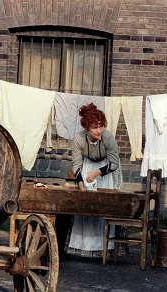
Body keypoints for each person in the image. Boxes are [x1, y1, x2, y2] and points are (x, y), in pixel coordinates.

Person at [65, 103, 122, 258]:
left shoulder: (108, 137)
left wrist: (98, 173)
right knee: (86, 207)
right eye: (95, 127)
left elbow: (115, 163)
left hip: (106, 170)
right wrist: (81, 185)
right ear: (87, 128)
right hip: (87, 168)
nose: (99, 130)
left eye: (101, 126)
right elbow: (76, 163)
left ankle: (105, 247)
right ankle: (84, 247)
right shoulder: (79, 139)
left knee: (104, 207)